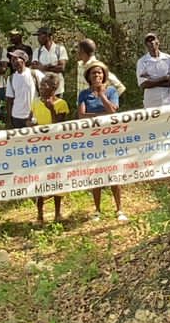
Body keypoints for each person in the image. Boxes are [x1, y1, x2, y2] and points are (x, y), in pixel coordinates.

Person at [77, 61, 124, 221]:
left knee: (113, 172)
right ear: (88, 77)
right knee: (96, 173)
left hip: (110, 137)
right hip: (92, 138)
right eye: (93, 73)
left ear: (104, 75)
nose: (97, 75)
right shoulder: (83, 94)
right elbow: (82, 116)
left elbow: (112, 111)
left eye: (99, 73)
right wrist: (101, 116)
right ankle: (97, 210)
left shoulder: (111, 91)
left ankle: (119, 209)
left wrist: (101, 95)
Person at [31, 73, 68, 223]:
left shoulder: (61, 104)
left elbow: (59, 125)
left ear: (54, 88)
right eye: (40, 85)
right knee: (40, 179)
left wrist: (51, 109)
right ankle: (40, 215)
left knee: (56, 178)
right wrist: (29, 124)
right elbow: (30, 119)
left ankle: (57, 213)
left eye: (45, 85)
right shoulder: (35, 102)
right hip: (40, 147)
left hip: (56, 148)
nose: (41, 87)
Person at [137, 33, 170, 108]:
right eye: (149, 41)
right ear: (146, 45)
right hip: (151, 103)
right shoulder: (142, 61)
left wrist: (152, 81)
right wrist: (164, 78)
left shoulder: (169, 59)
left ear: (158, 42)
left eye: (153, 39)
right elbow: (143, 84)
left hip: (168, 102)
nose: (152, 42)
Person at [5, 50, 43, 129]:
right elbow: (9, 100)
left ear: (23, 60)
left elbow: (46, 90)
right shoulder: (11, 78)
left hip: (33, 116)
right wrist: (9, 120)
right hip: (16, 116)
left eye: (15, 59)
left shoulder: (35, 74)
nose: (12, 61)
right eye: (12, 59)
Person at [30, 27, 68, 95]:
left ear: (48, 36)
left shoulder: (60, 49)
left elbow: (61, 68)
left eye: (40, 35)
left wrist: (43, 67)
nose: (38, 38)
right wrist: (52, 65)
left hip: (57, 88)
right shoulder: (37, 51)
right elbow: (34, 67)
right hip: (42, 87)